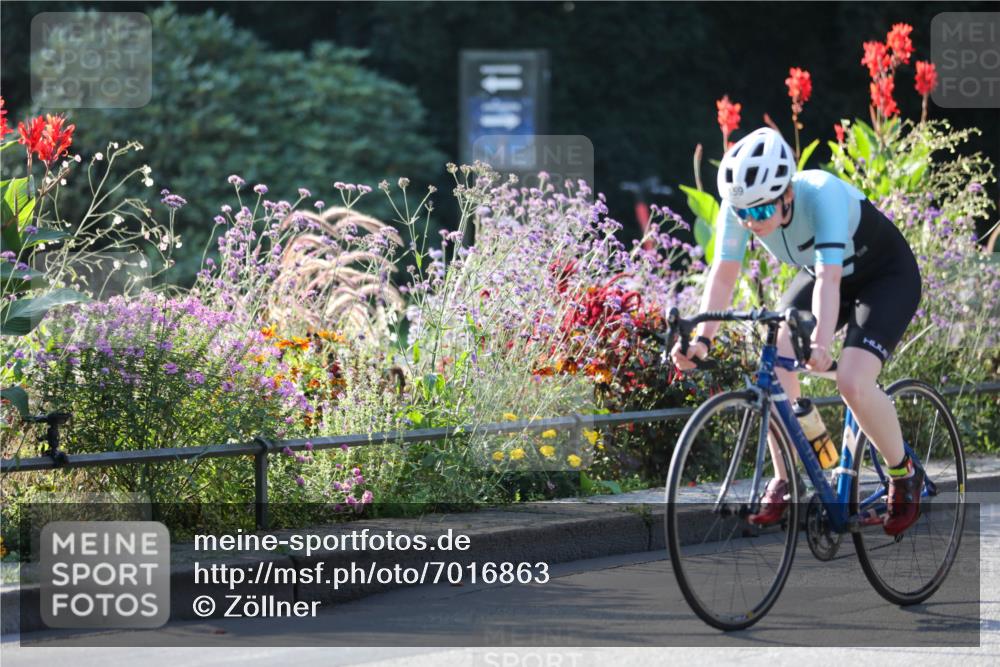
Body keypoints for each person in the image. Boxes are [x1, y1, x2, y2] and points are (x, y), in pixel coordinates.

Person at [671, 127, 923, 536]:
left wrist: (822, 343)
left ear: (787, 194)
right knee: (777, 352)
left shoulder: (820, 194)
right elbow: (723, 276)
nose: (751, 222)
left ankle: (903, 473)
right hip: (828, 278)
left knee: (852, 382)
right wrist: (702, 339)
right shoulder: (740, 207)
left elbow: (828, 279)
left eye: (760, 212)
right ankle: (793, 472)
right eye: (743, 214)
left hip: (884, 278)